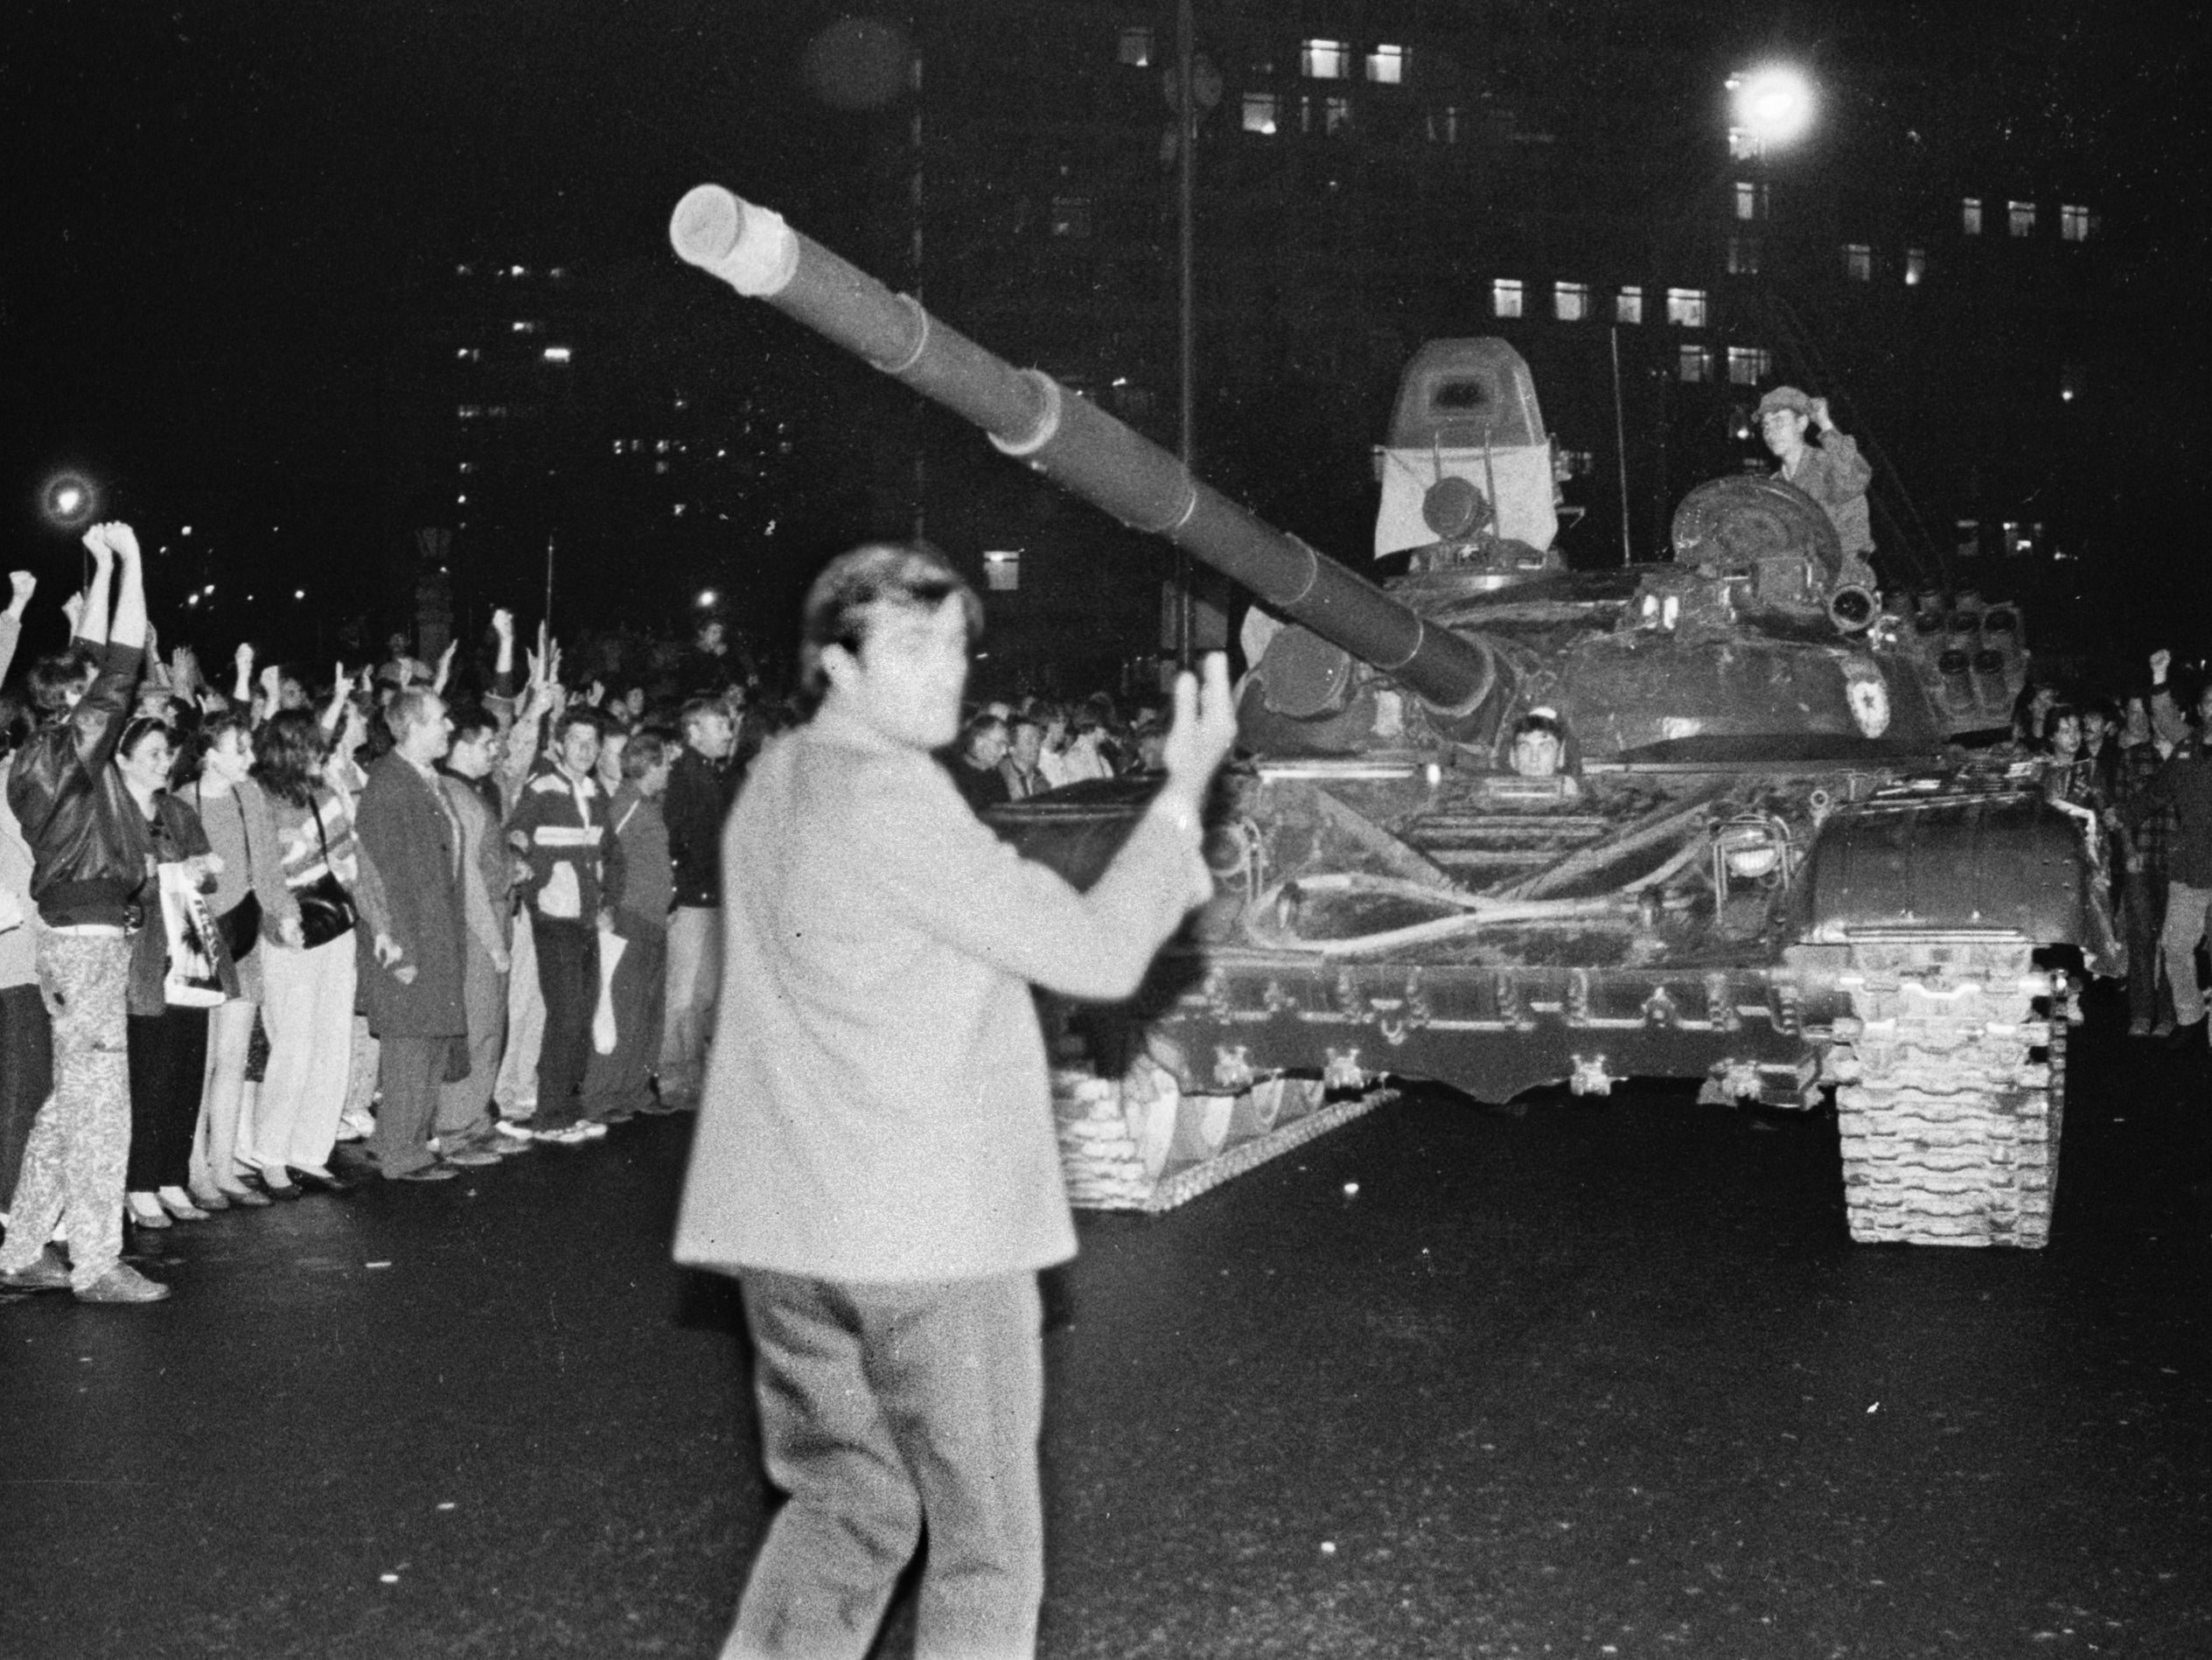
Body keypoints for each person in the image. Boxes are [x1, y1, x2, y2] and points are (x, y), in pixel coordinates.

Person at [673, 542, 1235, 1660]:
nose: (948, 673)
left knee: (850, 1502)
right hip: (927, 1241)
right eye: (913, 647)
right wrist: (1180, 799)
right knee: (986, 1546)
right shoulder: (891, 795)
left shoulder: (777, 779)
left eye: (958, 648)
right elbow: (1091, 951)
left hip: (788, 1232)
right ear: (836, 661)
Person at [0, 522, 169, 1303]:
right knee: (102, 1110)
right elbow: (122, 665)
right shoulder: (58, 757)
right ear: (64, 707)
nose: (100, 698)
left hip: (82, 944)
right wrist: (133, 560)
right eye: (84, 695)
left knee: (72, 1103)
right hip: (86, 946)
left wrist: (99, 566)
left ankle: (21, 1245)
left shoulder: (53, 752)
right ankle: (97, 1263)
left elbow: (101, 662)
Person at [351, 690, 471, 1182]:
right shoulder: (389, 787)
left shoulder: (425, 781)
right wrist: (396, 947)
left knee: (430, 1041)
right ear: (412, 727)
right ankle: (400, 1152)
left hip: (437, 934)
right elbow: (379, 876)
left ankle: (407, 1142)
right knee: (409, 1044)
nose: (449, 727)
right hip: (409, 941)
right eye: (441, 720)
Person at [185, 712, 304, 1208]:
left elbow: (269, 869)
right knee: (203, 1061)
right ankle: (193, 1171)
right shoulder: (180, 803)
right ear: (210, 754)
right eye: (241, 750)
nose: (251, 759)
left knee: (233, 1060)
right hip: (197, 940)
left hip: (245, 939)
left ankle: (223, 1164)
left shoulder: (248, 795)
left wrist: (288, 914)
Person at [253, 709, 368, 1193]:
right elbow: (265, 870)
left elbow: (349, 858)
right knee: (295, 1044)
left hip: (334, 924)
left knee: (332, 1038)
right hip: (290, 929)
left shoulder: (325, 794)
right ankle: (270, 1155)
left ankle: (310, 1150)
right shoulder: (261, 799)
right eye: (313, 747)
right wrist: (282, 918)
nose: (322, 755)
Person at [116, 719, 222, 1231]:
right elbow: (119, 879)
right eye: (154, 753)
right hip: (141, 957)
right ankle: (139, 1183)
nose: (165, 762)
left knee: (186, 1066)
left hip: (187, 952)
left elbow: (207, 870)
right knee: (150, 1074)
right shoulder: (109, 813)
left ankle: (173, 1175)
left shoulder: (178, 811)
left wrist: (201, 870)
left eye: (168, 753)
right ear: (123, 758)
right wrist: (163, 873)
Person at [507, 707, 623, 1144]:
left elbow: (611, 855)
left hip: (588, 920)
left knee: (583, 1012)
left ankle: (567, 1110)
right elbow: (516, 837)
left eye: (593, 742)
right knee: (567, 1014)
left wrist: (609, 901)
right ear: (557, 745)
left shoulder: (594, 793)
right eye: (576, 740)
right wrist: (537, 882)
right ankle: (549, 1116)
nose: (586, 750)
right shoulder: (542, 788)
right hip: (554, 919)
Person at [580, 731, 673, 1124]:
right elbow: (597, 850)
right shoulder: (626, 803)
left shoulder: (648, 804)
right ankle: (600, 1096)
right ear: (650, 766)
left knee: (646, 1010)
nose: (669, 769)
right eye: (665, 762)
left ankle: (634, 1089)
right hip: (630, 917)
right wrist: (603, 905)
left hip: (654, 919)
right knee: (620, 1008)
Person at [659, 696, 739, 1110]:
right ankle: (674, 1079)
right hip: (691, 901)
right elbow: (671, 838)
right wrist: (675, 893)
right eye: (720, 725)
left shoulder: (710, 775)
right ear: (693, 732)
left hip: (711, 899)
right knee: (684, 994)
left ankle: (698, 1074)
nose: (729, 733)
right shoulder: (683, 777)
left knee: (704, 994)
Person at [2123, 677, 2212, 1041]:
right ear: (2201, 709)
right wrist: (2124, 815)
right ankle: (2191, 1015)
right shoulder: (2186, 749)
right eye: (2209, 702)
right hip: (2189, 867)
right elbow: (2156, 792)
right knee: (2174, 948)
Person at [1755, 386, 1877, 591]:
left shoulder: (1828, 466)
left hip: (1842, 581)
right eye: (1766, 426)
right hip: (1795, 587)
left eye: (1779, 421)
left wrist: (1825, 424)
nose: (1770, 432)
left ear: (1801, 423)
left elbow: (1855, 478)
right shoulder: (1775, 486)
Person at [947, 709, 1012, 813]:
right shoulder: (954, 778)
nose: (1004, 752)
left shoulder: (994, 772)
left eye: (1006, 745)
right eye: (999, 744)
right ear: (979, 743)